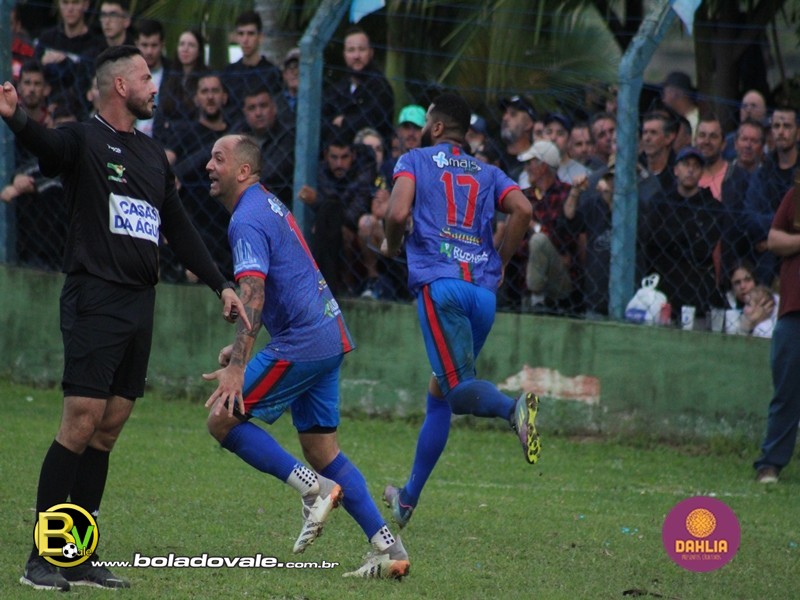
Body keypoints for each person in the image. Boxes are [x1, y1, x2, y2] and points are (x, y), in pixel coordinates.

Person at [1, 45, 249, 591]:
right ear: (119, 86)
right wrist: (17, 116)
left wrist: (222, 284)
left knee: (107, 429)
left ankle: (76, 556)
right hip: (94, 294)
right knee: (81, 419)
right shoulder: (83, 138)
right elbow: (46, 145)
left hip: (140, 303)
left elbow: (178, 228)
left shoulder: (152, 154)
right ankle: (40, 559)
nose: (153, 85)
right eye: (144, 76)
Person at [202, 133, 410, 578]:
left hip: (303, 341)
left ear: (243, 171)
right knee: (322, 449)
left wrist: (238, 366)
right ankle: (389, 549)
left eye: (218, 159)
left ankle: (315, 491)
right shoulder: (267, 204)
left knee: (221, 419)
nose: (208, 166)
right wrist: (242, 344)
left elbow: (253, 292)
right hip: (327, 334)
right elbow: (282, 281)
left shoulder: (246, 218)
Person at [380, 93, 539, 530]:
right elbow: (523, 209)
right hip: (481, 294)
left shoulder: (414, 160)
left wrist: (391, 245)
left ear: (435, 128)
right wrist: (500, 262)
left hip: (441, 287)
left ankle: (512, 409)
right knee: (440, 393)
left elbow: (397, 211)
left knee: (456, 391)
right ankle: (407, 499)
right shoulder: (488, 171)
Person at [644, 146, 723, 327]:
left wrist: (672, 236)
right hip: (662, 288)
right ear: (676, 169)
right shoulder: (660, 201)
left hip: (697, 289)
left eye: (696, 166)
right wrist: (688, 234)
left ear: (702, 172)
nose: (690, 170)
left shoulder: (712, 207)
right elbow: (652, 240)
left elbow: (702, 248)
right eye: (686, 164)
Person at [753, 185, 800, 484]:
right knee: (787, 391)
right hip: (795, 310)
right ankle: (770, 463)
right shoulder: (797, 195)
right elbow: (774, 239)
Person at [744, 106, 799, 288]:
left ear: (798, 132)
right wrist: (780, 236)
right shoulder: (762, 173)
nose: (781, 132)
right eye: (776, 126)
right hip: (765, 266)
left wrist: (772, 239)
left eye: (787, 126)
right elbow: (750, 219)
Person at [322, 26, 395, 143]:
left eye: (361, 49)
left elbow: (372, 119)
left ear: (371, 52)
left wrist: (344, 121)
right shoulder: (338, 87)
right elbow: (324, 116)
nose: (356, 56)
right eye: (351, 50)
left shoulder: (381, 87)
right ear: (344, 54)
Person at [34, 0, 106, 117]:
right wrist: (41, 63)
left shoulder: (96, 45)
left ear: (86, 4)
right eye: (65, 2)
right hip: (45, 110)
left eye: (75, 3)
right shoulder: (47, 39)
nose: (70, 8)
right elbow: (33, 71)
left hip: (81, 114)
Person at [222, 10, 283, 124]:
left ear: (260, 37)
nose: (245, 40)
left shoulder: (273, 74)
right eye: (241, 34)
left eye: (250, 34)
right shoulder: (228, 73)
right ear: (236, 37)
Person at [153, 28, 207, 140]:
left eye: (191, 45)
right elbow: (160, 115)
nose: (185, 49)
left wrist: (171, 125)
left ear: (199, 51)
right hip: (166, 140)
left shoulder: (206, 79)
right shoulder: (169, 78)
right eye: (182, 44)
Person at [134, 18, 169, 136]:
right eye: (144, 45)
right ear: (136, 44)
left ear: (162, 45)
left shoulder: (172, 75)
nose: (149, 51)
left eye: (154, 45)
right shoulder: (127, 73)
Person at [543, 112, 589, 184]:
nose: (553, 138)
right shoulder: (530, 170)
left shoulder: (583, 174)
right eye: (549, 132)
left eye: (560, 133)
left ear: (569, 140)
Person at [661, 71, 699, 138]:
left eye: (665, 92)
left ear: (675, 93)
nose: (663, 97)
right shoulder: (679, 119)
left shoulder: (695, 121)